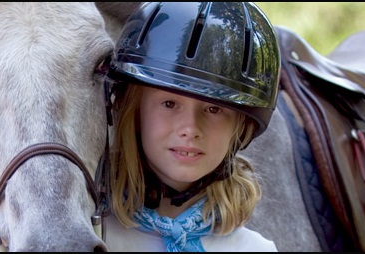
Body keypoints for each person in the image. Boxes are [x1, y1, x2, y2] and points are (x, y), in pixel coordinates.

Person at [102, 2, 280, 252]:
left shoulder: (256, 249)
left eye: (214, 109)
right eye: (169, 103)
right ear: (134, 111)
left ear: (241, 128)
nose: (190, 128)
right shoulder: (94, 237)